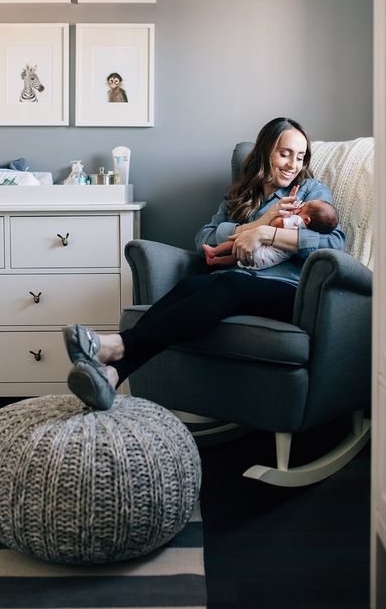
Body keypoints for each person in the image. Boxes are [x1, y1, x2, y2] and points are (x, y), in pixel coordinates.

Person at [63, 116, 346, 410]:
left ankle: (117, 346)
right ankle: (112, 374)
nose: (293, 164)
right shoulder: (240, 196)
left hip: (288, 291)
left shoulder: (310, 191)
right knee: (192, 285)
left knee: (229, 282)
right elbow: (204, 239)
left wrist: (267, 233)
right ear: (265, 152)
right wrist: (253, 224)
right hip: (234, 284)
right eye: (285, 153)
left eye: (300, 157)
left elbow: (335, 242)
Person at [201, 196, 338, 269]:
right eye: (284, 154)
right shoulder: (304, 225)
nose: (302, 204)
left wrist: (261, 230)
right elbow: (203, 236)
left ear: (307, 219)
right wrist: (256, 225)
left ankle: (214, 252)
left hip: (264, 257)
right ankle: (215, 260)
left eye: (300, 157)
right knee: (235, 258)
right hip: (263, 260)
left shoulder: (298, 221)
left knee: (236, 241)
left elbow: (276, 224)